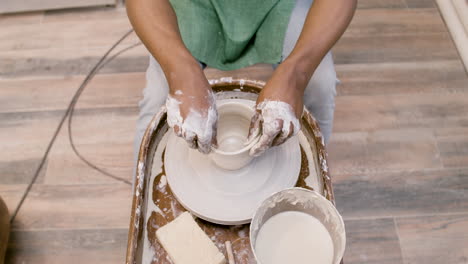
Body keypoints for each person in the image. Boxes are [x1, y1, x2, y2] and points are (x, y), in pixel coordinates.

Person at [127, 0, 356, 167]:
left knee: (319, 83)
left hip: (278, 5)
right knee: (159, 96)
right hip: (192, 5)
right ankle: (146, 199)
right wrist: (180, 72)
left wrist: (295, 76)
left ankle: (311, 175)